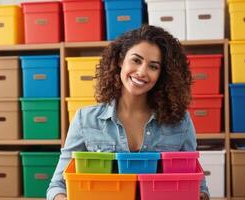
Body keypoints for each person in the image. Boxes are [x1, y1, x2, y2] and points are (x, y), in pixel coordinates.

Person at [47, 25, 210, 200]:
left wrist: (200, 195)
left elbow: (199, 185)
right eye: (136, 60)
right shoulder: (85, 120)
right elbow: (57, 185)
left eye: (153, 66)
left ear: (162, 74)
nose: (142, 72)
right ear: (120, 61)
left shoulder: (180, 121)